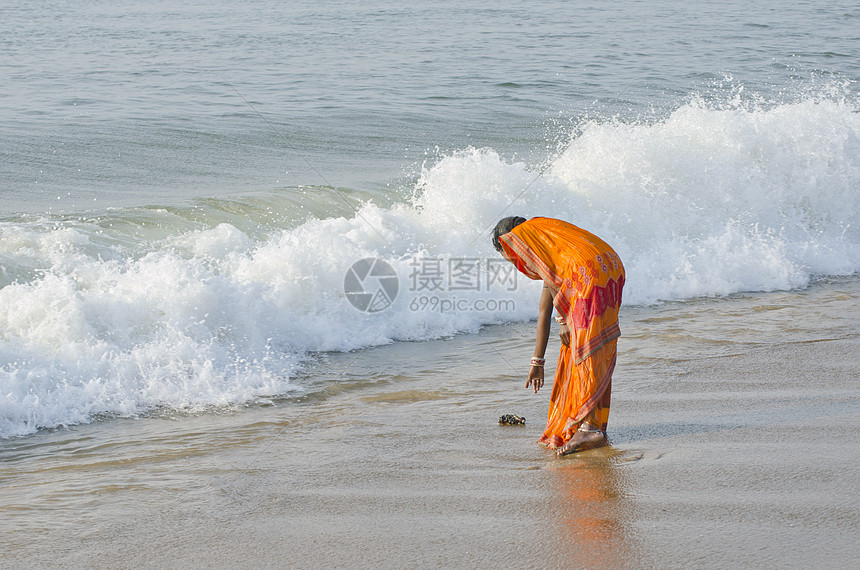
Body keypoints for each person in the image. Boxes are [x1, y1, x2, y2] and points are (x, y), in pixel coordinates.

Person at [492, 216, 625, 456]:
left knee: (586, 348)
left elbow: (554, 308)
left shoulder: (526, 235)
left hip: (588, 272)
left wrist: (565, 320)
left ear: (509, 241)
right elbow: (544, 310)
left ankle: (591, 428)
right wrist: (537, 362)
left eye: (510, 256)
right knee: (592, 343)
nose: (516, 263)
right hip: (608, 264)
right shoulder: (552, 245)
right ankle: (589, 423)